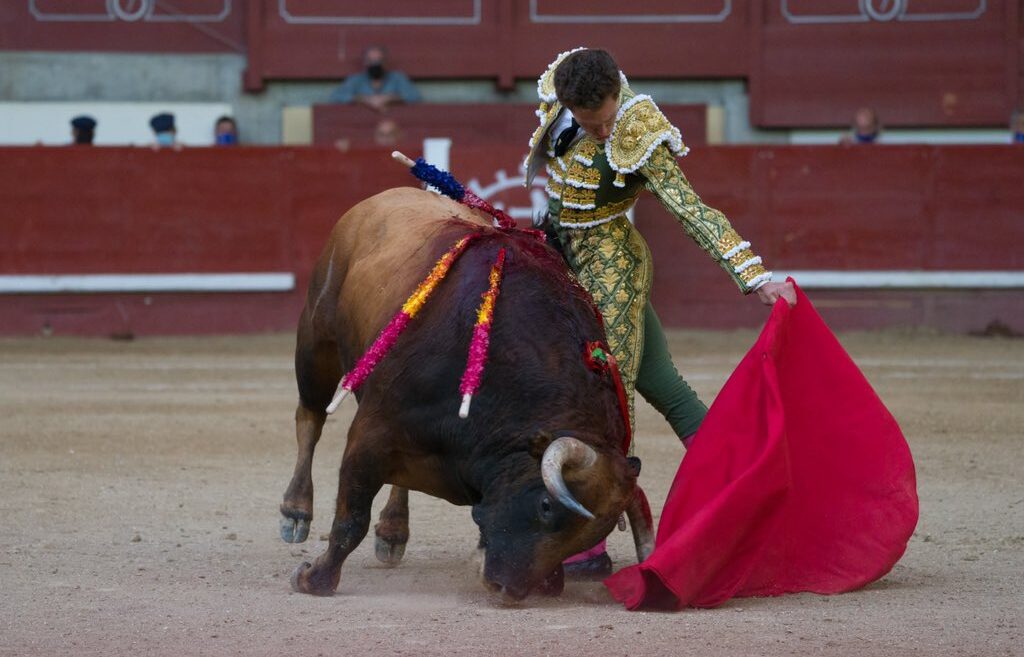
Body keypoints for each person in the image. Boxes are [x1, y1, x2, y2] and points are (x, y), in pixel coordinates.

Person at [523, 47, 795, 578]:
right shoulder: (562, 95)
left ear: (614, 100)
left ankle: (589, 542)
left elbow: (690, 208)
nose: (600, 132)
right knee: (662, 383)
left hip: (612, 270)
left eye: (603, 120)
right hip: (560, 256)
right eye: (588, 122)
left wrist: (753, 276)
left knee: (600, 395)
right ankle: (745, 485)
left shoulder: (638, 129)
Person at [328, 45, 421, 111]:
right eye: (371, 60)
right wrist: (365, 99)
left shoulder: (397, 78)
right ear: (365, 63)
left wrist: (388, 98)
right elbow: (336, 97)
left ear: (386, 62)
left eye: (379, 60)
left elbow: (414, 96)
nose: (375, 64)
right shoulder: (356, 80)